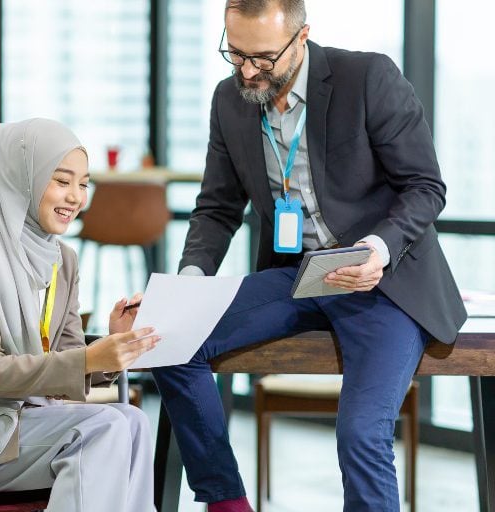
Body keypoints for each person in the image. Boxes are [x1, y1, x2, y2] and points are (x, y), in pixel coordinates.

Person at [152, 1, 466, 511]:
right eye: (235, 53)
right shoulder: (229, 101)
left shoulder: (366, 78)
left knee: (361, 434)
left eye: (263, 58)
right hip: (295, 276)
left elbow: (424, 186)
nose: (247, 70)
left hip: (378, 280)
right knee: (167, 339)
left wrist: (378, 249)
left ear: (301, 38)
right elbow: (216, 208)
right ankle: (225, 501)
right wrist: (189, 282)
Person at [0, 118, 160, 512]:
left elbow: (71, 357)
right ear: (19, 180)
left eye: (84, 183)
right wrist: (90, 358)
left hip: (33, 420)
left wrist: (111, 348)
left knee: (135, 422)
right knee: (105, 427)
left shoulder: (64, 260)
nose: (76, 197)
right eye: (61, 181)